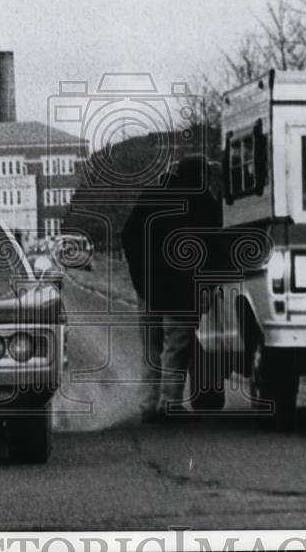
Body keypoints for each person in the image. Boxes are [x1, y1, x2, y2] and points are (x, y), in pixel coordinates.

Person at [121, 154, 222, 422]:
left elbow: (128, 236)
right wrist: (207, 287)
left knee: (151, 349)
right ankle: (169, 404)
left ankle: (148, 405)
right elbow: (213, 250)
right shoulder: (204, 204)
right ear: (200, 176)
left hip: (148, 288)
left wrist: (139, 277)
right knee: (175, 349)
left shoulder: (152, 197)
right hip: (181, 290)